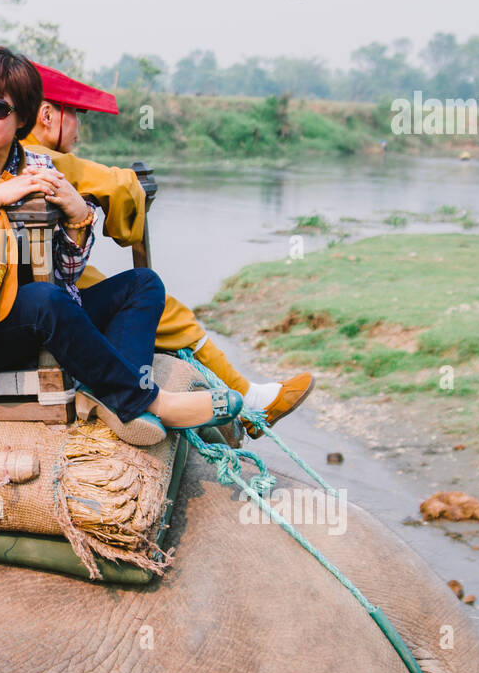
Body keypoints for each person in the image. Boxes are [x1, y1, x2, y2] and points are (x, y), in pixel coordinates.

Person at [0, 46, 240, 447]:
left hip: (30, 322)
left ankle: (112, 396)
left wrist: (79, 216)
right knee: (43, 300)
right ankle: (145, 400)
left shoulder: (39, 168)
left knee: (143, 284)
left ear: (23, 118)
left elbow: (67, 278)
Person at [22, 61, 314, 437]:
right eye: (76, 114)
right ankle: (243, 400)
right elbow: (118, 187)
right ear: (47, 114)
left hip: (42, 287)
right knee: (159, 301)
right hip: (43, 302)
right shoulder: (43, 160)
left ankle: (237, 398)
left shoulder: (18, 156)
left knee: (141, 288)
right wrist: (131, 183)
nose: (79, 128)